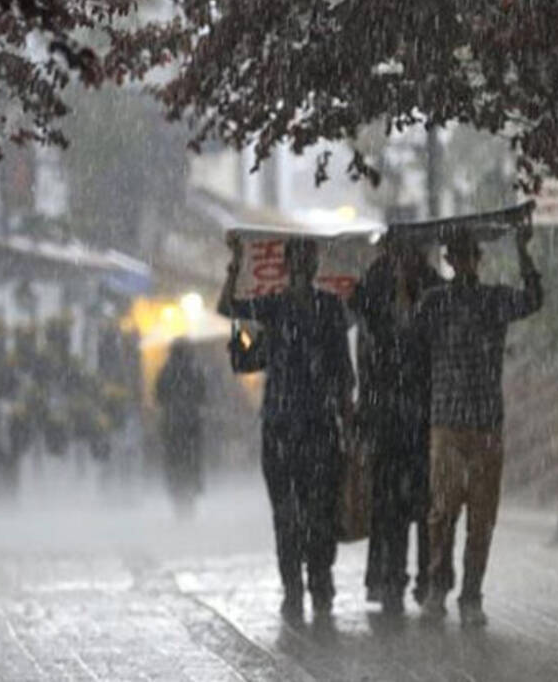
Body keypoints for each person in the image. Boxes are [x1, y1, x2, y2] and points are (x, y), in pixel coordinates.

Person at [218, 235, 355, 622]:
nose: (301, 268)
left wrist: (347, 419)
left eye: (305, 261)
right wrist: (235, 264)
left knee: (318, 510)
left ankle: (317, 581)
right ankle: (296, 586)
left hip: (315, 425)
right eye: (297, 261)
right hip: (283, 426)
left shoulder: (327, 309)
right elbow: (231, 308)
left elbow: (343, 372)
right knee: (288, 512)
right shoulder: (275, 308)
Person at [416, 224, 542, 627]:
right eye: (458, 255)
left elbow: (533, 299)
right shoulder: (434, 302)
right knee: (442, 512)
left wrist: (524, 252)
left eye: (469, 254)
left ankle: (472, 594)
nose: (464, 261)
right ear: (450, 260)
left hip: (485, 422)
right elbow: (408, 334)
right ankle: (438, 586)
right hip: (448, 422)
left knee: (481, 517)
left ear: (476, 259)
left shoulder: (493, 300)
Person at [349, 234, 443, 615]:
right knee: (389, 504)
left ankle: (426, 579)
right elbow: (360, 316)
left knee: (424, 504)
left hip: (422, 413)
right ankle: (391, 578)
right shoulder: (376, 285)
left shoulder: (432, 288)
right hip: (386, 414)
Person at [155, 338, 207, 518]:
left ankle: (178, 501)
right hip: (191, 424)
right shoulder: (194, 370)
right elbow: (203, 394)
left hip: (171, 425)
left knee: (174, 463)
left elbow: (159, 396)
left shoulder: (166, 371)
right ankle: (190, 499)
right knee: (191, 463)